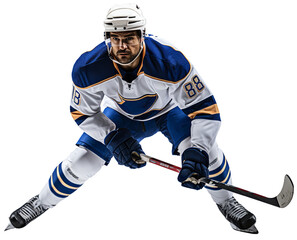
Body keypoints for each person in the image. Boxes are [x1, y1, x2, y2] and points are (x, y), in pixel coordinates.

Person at [6, 3, 258, 234]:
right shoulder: (88, 67)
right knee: (82, 162)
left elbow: (205, 109)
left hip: (169, 111)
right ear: (107, 38)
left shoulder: (170, 61)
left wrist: (198, 151)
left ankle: (227, 201)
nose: (122, 46)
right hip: (122, 117)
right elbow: (81, 112)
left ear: (142, 35)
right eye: (115, 39)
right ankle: (41, 202)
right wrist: (111, 136)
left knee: (208, 154)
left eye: (129, 39)